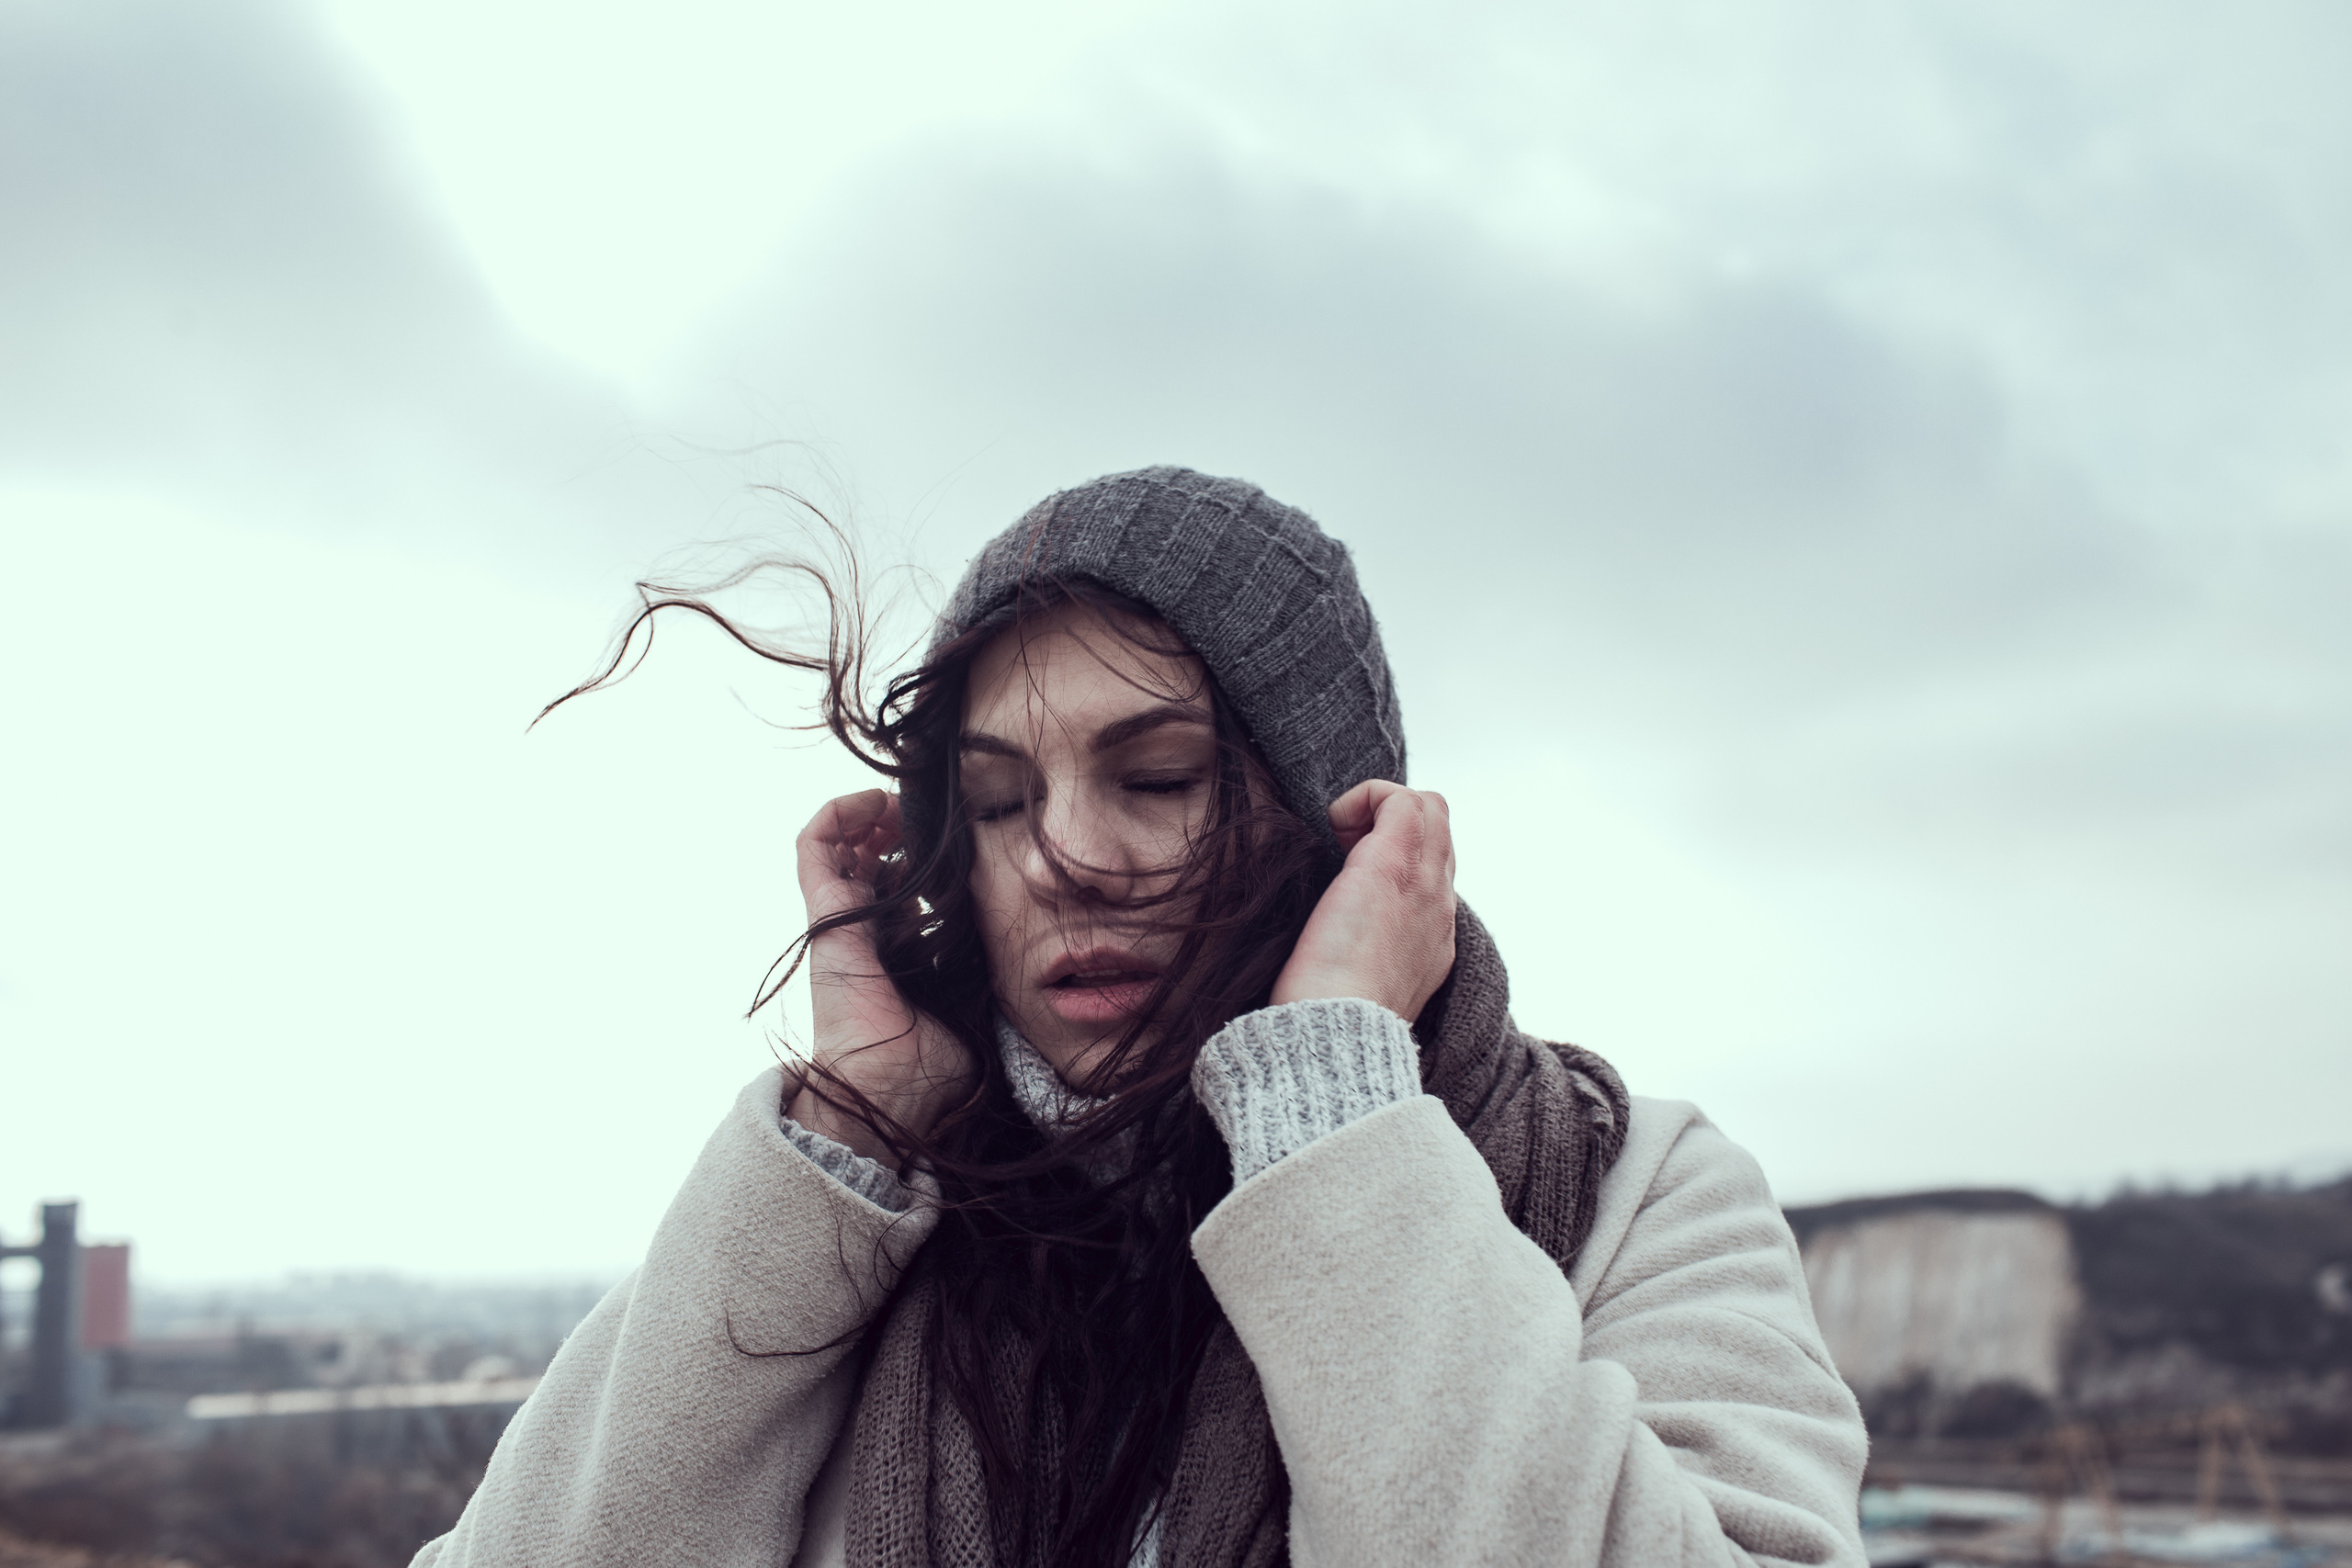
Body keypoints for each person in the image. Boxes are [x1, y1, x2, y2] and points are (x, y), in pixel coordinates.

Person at [413, 467, 1869, 1568]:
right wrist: (849, 1133)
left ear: (1346, 828)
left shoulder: (1643, 1194)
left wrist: (1329, 1112)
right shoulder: (854, 1232)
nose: (1069, 860)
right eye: (994, 802)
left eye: (1159, 777)